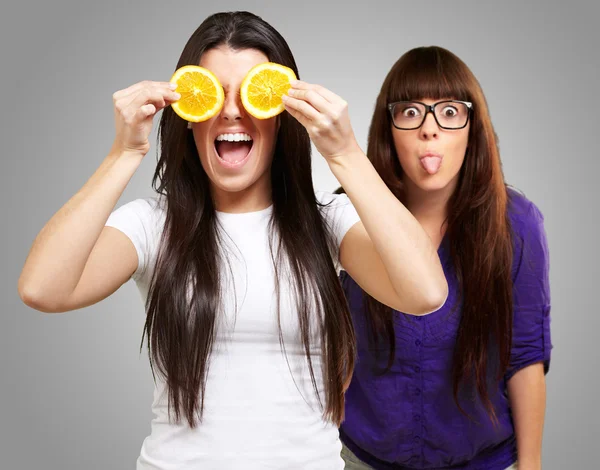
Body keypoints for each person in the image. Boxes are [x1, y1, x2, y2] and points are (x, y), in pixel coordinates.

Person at [17, 12, 447, 470]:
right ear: (187, 115)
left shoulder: (326, 224)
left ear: (282, 116)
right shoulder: (152, 226)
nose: (230, 109)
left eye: (251, 93)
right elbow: (42, 288)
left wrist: (343, 153)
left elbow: (425, 292)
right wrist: (124, 152)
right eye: (213, 93)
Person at [337, 46, 552, 470]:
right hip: (362, 458)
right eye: (411, 112)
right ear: (388, 126)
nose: (429, 130)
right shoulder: (346, 217)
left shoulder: (516, 222)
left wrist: (531, 466)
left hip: (483, 460)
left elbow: (525, 355)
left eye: (450, 112)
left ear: (473, 129)